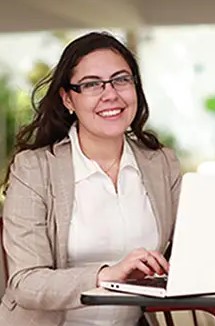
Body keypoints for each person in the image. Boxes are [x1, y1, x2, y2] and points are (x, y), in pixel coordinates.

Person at [0, 31, 181, 326]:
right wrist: (106, 275)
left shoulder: (162, 163)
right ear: (68, 98)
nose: (110, 94)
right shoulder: (33, 168)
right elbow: (25, 282)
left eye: (121, 79)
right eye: (91, 84)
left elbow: (190, 251)